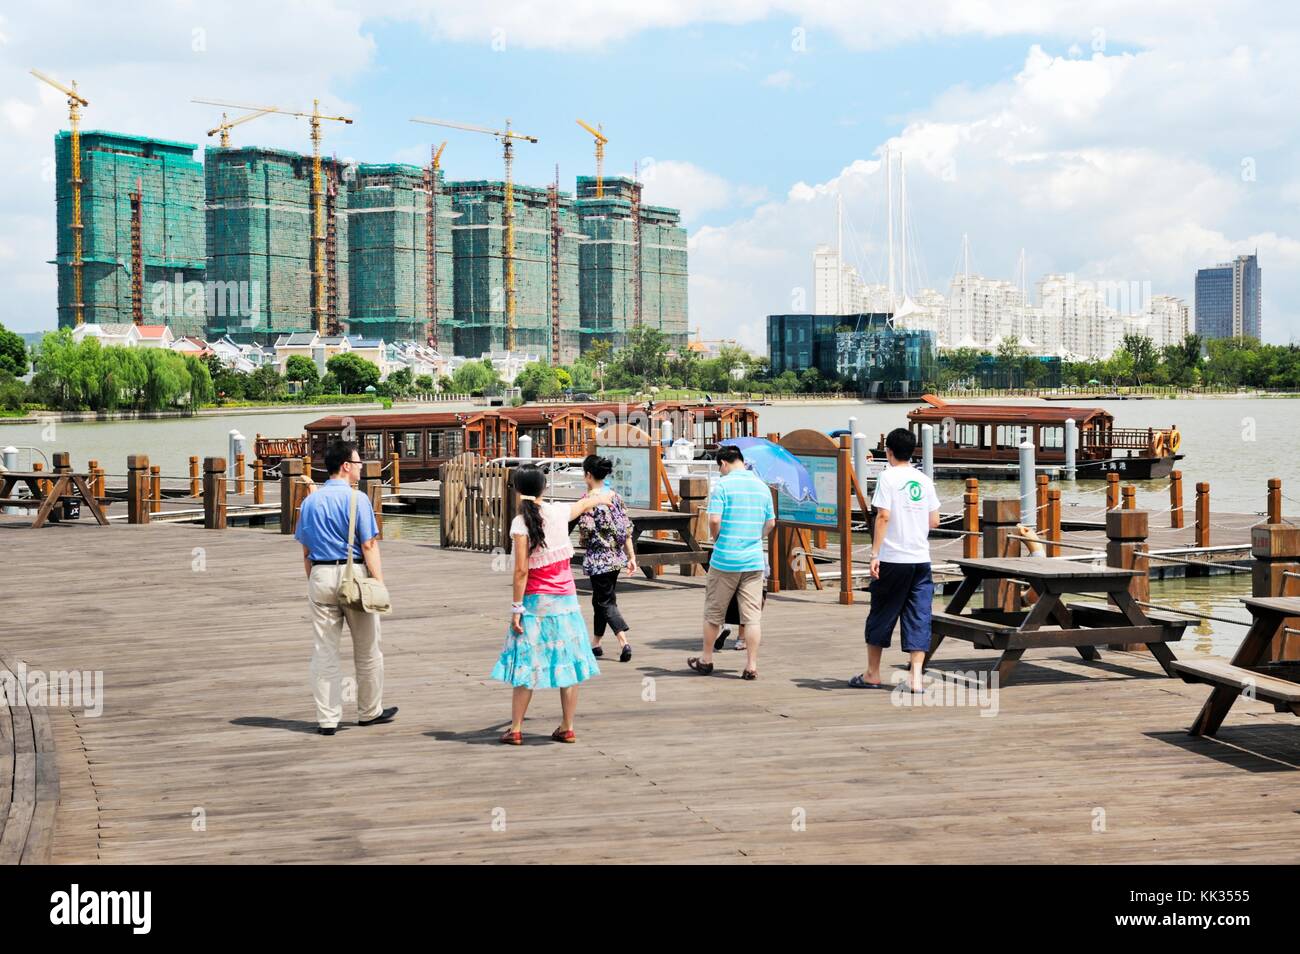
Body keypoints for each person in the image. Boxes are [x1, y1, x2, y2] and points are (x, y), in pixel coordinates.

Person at [492, 465, 614, 745]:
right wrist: (602, 496)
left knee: (526, 664)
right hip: (566, 602)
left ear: (517, 490)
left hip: (535, 604)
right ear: (544, 488)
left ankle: (517, 728)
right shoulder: (558, 511)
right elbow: (584, 503)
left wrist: (516, 609)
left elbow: (521, 571)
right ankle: (567, 726)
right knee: (568, 664)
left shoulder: (520, 522)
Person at [295, 440, 397, 736]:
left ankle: (328, 719)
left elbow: (305, 549)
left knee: (324, 651)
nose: (361, 467)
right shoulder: (357, 499)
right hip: (353, 576)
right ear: (346, 466)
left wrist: (313, 579)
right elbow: (368, 544)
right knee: (367, 649)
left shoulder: (310, 501)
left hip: (320, 574)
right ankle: (369, 711)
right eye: (359, 462)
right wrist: (378, 582)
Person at [850, 427, 941, 694]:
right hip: (920, 558)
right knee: (918, 615)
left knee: (882, 612)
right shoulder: (923, 479)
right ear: (912, 451)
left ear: (888, 451)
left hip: (892, 558)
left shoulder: (887, 478)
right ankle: (915, 678)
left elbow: (883, 516)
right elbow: (934, 520)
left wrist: (875, 553)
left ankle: (873, 673)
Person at [688, 445, 775, 680]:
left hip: (725, 559)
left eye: (720, 468)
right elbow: (770, 523)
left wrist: (719, 538)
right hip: (753, 560)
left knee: (713, 613)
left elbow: (714, 519)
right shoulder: (762, 486)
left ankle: (706, 659)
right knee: (752, 617)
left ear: (724, 463)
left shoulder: (724, 486)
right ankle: (751, 666)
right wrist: (756, 537)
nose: (721, 472)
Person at [576, 454, 637, 662]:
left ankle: (623, 641)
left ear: (588, 475)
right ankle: (596, 643)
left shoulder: (587, 501)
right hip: (616, 557)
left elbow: (585, 532)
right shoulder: (615, 496)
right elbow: (626, 529)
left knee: (604, 601)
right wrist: (632, 556)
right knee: (601, 599)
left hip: (598, 559)